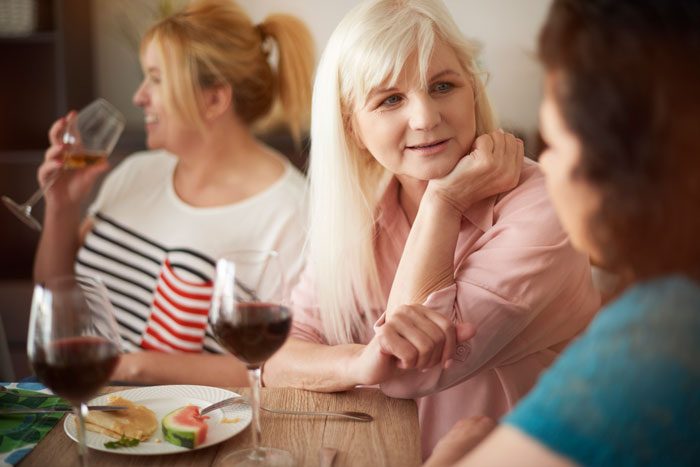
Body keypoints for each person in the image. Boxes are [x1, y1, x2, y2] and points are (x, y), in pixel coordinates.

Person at [263, 0, 599, 458]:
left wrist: (443, 201)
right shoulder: (362, 213)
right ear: (353, 128)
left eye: (443, 86)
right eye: (390, 99)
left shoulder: (544, 206)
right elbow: (279, 355)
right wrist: (361, 362)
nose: (425, 117)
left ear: (473, 92)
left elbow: (410, 373)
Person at [424, 0, 700, 465]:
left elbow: (416, 370)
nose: (545, 165)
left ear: (621, 161)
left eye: (554, 142)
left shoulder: (659, 338)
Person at [32, 0, 315, 386]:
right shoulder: (136, 173)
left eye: (156, 79)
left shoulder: (291, 213)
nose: (139, 96)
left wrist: (128, 365)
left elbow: (279, 363)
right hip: (85, 407)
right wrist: (61, 207)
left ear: (214, 99)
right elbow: (54, 293)